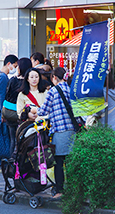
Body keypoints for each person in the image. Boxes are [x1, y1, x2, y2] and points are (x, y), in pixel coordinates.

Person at [38, 67, 75, 199]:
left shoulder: (53, 91)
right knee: (70, 161)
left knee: (59, 162)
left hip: (60, 131)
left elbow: (43, 111)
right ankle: (73, 190)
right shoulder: (70, 89)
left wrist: (33, 110)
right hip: (72, 130)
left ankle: (60, 191)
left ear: (54, 78)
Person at [0, 54, 18, 173]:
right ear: (9, 64)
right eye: (15, 65)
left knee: (1, 136)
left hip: (0, 112)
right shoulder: (3, 77)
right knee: (1, 137)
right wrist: (3, 113)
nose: (15, 68)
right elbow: (1, 97)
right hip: (1, 113)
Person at [5, 57, 32, 156]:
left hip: (12, 114)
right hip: (26, 114)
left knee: (13, 139)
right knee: (26, 139)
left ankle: (12, 163)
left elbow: (7, 96)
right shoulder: (30, 82)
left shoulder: (13, 80)